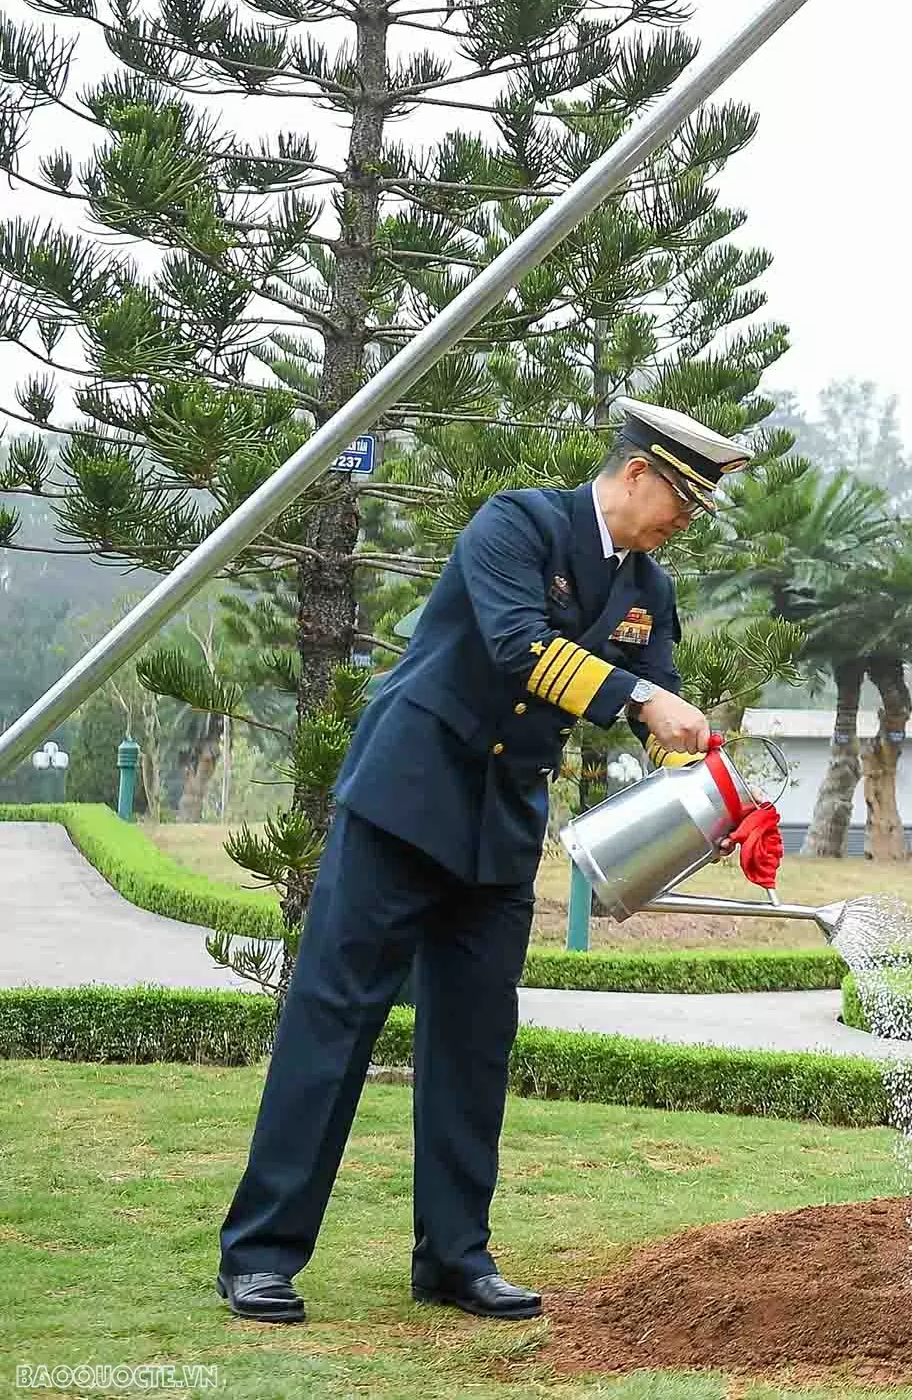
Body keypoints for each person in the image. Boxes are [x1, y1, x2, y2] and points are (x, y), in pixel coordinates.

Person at [216, 401, 750, 1326]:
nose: (685, 523)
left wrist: (709, 785)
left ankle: (455, 1258)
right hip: (406, 802)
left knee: (473, 1046)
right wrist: (639, 700)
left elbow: (654, 709)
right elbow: (518, 649)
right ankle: (259, 1255)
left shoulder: (649, 591)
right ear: (635, 475)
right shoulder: (517, 523)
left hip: (500, 830)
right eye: (683, 501)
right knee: (333, 1022)